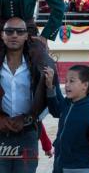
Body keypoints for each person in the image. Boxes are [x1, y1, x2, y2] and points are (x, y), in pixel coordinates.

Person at [0, 17, 56, 173]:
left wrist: (28, 118)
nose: (14, 35)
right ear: (2, 35)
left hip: (27, 133)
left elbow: (47, 103)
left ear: (26, 36)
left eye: (20, 31)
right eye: (9, 31)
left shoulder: (39, 66)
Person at [44, 64, 89, 173]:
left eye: (71, 81)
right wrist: (50, 87)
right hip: (60, 165)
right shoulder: (68, 102)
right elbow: (55, 111)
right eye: (66, 81)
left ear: (85, 85)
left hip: (79, 168)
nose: (67, 85)